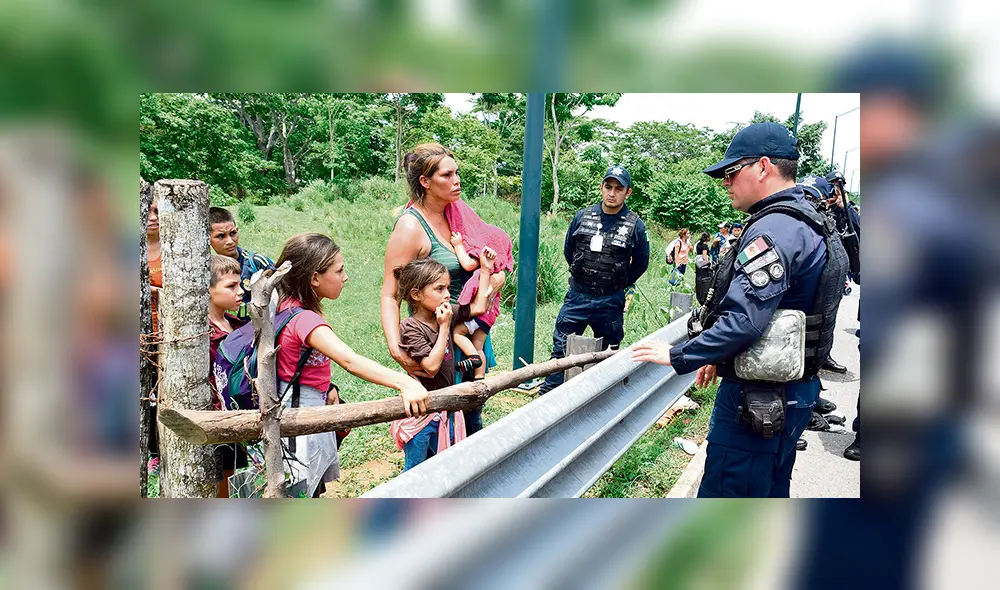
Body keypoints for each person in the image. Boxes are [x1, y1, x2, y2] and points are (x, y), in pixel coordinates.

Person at [632, 122, 848, 497]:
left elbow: (744, 322)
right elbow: (781, 308)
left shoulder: (775, 230)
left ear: (763, 167)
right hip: (794, 393)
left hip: (758, 401)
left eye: (732, 172)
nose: (726, 182)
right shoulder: (809, 219)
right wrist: (721, 357)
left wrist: (679, 354)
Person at [276, 232, 429, 497]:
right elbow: (350, 360)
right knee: (300, 489)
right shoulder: (305, 320)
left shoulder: (284, 304)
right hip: (300, 417)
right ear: (314, 278)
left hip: (298, 404)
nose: (345, 277)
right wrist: (404, 382)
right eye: (339, 270)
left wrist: (327, 385)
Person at [382, 143, 513, 436]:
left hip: (467, 324)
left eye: (457, 173)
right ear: (425, 182)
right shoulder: (410, 228)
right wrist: (396, 349)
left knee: (471, 417)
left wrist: (493, 278)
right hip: (434, 341)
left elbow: (483, 248)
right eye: (447, 175)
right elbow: (390, 294)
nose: (457, 181)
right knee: (437, 426)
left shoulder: (456, 213)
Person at [538, 165, 651, 395]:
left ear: (628, 193)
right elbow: (569, 250)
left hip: (610, 301)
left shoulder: (635, 224)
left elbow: (641, 263)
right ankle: (545, 403)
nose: (612, 193)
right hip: (577, 297)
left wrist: (617, 283)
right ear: (601, 188)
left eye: (619, 189)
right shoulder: (583, 216)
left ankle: (602, 407)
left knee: (609, 356)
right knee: (560, 353)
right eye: (608, 187)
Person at [389, 257, 467, 470]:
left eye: (448, 288)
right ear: (416, 295)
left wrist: (487, 271)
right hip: (422, 412)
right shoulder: (411, 327)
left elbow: (478, 307)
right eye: (439, 289)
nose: (447, 294)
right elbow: (431, 367)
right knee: (415, 469)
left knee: (444, 465)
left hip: (446, 408)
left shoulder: (444, 314)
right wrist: (444, 328)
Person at [207, 254, 248, 496]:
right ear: (207, 289)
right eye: (231, 286)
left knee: (236, 481)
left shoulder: (239, 325)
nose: (240, 291)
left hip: (240, 415)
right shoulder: (201, 333)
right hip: (215, 419)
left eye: (240, 284)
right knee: (221, 485)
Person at [208, 207, 275, 321]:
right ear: (208, 238)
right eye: (221, 236)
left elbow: (283, 297)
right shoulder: (206, 268)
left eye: (233, 233)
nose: (230, 241)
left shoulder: (257, 263)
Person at [451, 244, 505, 381]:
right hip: (488, 318)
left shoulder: (479, 275)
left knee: (457, 332)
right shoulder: (495, 277)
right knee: (479, 346)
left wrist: (457, 245)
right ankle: (479, 377)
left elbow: (471, 290)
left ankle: (473, 357)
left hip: (477, 315)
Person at [694, 232, 713, 305]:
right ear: (707, 238)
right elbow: (704, 256)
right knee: (704, 280)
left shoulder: (698, 244)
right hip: (703, 266)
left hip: (697, 264)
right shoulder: (705, 246)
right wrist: (708, 263)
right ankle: (703, 295)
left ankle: (698, 292)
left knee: (698, 278)